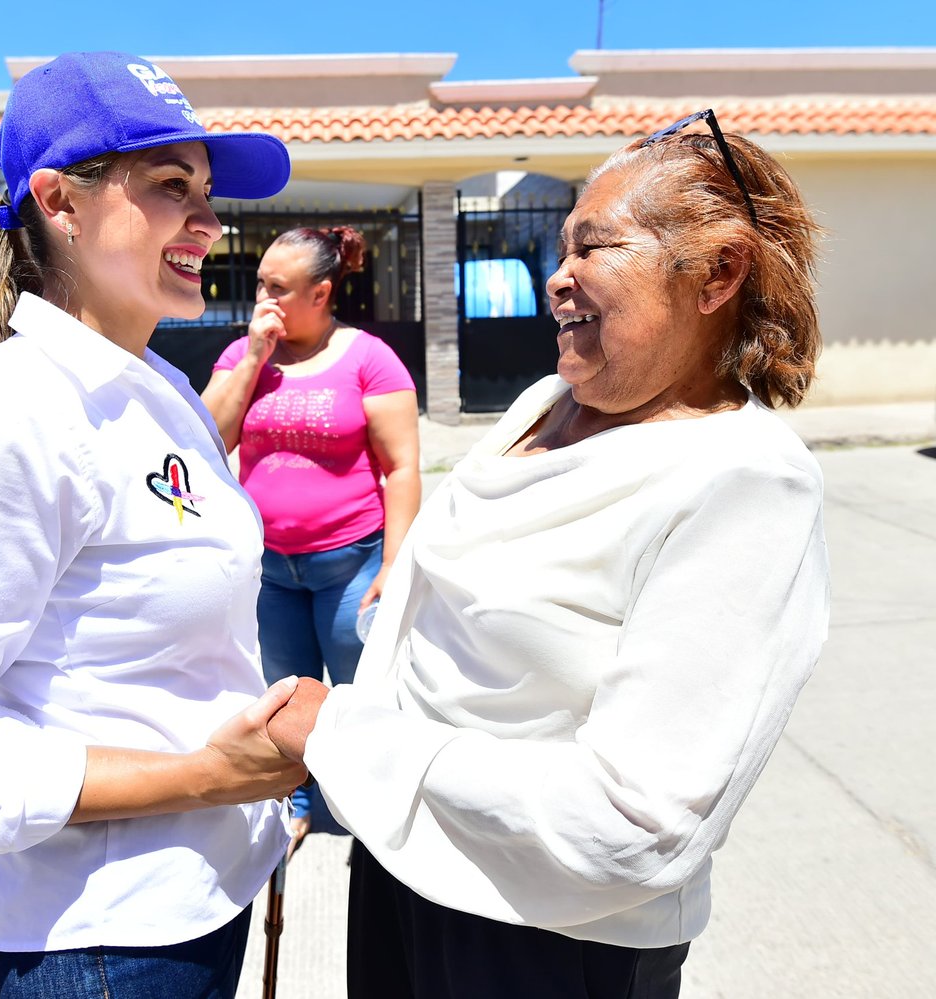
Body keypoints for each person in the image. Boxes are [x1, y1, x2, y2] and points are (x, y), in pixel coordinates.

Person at [266, 110, 830, 998]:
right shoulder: (543, 400)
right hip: (401, 866)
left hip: (542, 941)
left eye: (594, 247)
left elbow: (634, 824)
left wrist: (342, 736)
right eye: (560, 248)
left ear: (718, 273)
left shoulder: (745, 479)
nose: (556, 279)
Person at [0, 51, 309, 999]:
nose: (210, 224)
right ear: (59, 200)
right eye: (172, 187)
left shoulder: (164, 388)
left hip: (204, 901)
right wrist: (206, 776)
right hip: (100, 948)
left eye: (208, 193)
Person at [201, 225, 420, 855]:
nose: (262, 299)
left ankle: (362, 810)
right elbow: (207, 442)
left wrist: (395, 562)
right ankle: (296, 804)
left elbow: (401, 467)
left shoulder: (369, 359)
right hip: (271, 570)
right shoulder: (244, 355)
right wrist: (251, 358)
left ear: (320, 293)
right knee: (283, 691)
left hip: (350, 562)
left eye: (278, 288)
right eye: (260, 285)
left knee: (359, 691)